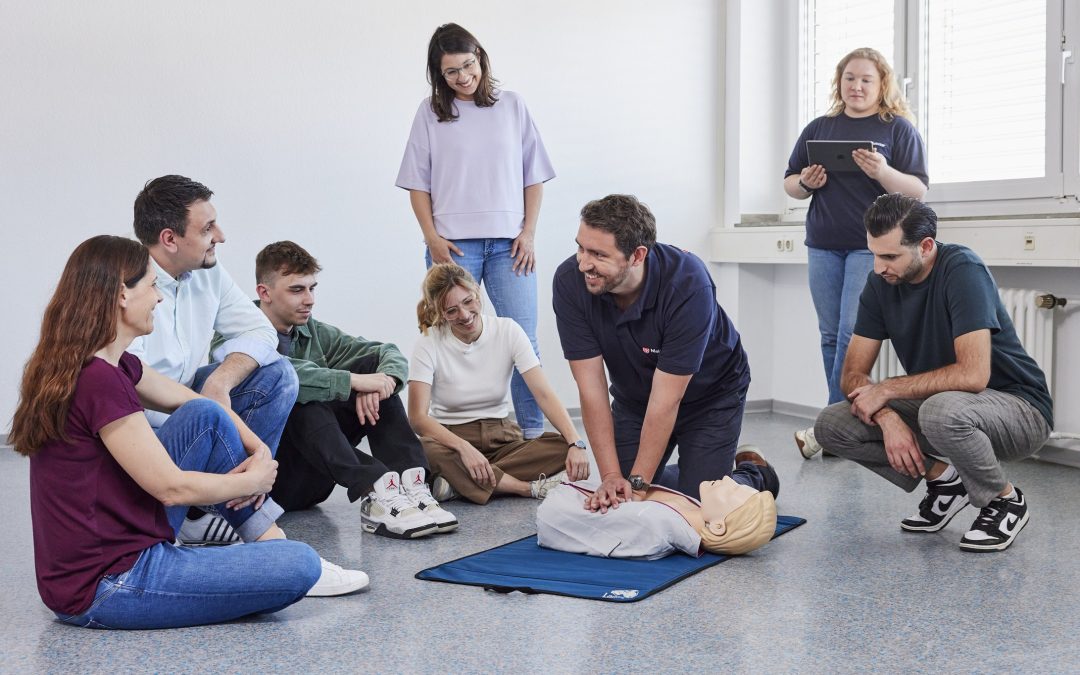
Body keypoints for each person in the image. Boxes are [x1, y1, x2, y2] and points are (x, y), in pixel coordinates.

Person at [8, 236, 368, 630]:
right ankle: (273, 552)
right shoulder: (98, 381)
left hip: (120, 553)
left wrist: (256, 445)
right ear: (121, 295)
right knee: (299, 565)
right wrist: (252, 480)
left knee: (203, 413)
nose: (159, 299)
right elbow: (171, 489)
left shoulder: (112, 365)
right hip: (110, 584)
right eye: (151, 285)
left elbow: (197, 403)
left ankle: (267, 542)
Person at [814, 194, 1053, 552]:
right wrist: (887, 417)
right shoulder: (881, 283)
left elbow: (973, 375)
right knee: (832, 426)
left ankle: (1004, 501)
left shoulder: (962, 269)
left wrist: (888, 389)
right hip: (946, 408)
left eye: (890, 256)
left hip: (1020, 409)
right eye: (874, 254)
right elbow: (852, 375)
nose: (878, 267)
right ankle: (945, 482)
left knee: (939, 411)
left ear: (925, 246)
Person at [215, 240, 457, 539]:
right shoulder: (233, 332)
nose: (309, 299)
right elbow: (280, 373)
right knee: (301, 394)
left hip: (315, 479)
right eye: (296, 290)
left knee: (373, 368)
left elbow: (386, 351)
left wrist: (383, 381)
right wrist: (352, 381)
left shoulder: (312, 330)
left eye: (311, 288)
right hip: (269, 484)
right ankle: (374, 490)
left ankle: (412, 485)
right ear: (264, 293)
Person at [553, 194, 773, 510]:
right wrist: (613, 475)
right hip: (635, 400)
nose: (584, 263)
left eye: (599, 254)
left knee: (701, 507)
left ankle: (755, 474)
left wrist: (639, 486)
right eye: (580, 247)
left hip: (711, 396)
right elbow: (591, 391)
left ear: (637, 255)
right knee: (621, 493)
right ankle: (686, 476)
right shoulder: (570, 282)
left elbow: (666, 400)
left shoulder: (687, 284)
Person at [396, 22, 555, 442]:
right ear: (438, 75)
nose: (464, 77)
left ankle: (533, 437)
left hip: (510, 243)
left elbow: (533, 176)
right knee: (448, 340)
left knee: (523, 339)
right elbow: (417, 184)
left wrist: (529, 232)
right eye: (451, 72)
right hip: (453, 245)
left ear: (481, 59)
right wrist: (431, 238)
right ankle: (446, 435)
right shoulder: (430, 113)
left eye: (469, 65)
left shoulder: (513, 105)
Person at [129, 175, 300, 546]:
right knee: (203, 414)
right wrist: (206, 408)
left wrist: (219, 382)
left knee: (279, 374)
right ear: (170, 239)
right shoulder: (129, 283)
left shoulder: (208, 273)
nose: (220, 235)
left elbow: (261, 332)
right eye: (207, 228)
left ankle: (213, 510)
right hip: (141, 429)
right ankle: (252, 527)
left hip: (189, 403)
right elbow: (133, 382)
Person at [783, 47, 928, 459]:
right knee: (830, 334)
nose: (857, 86)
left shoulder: (898, 129)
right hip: (824, 245)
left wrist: (881, 171)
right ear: (839, 82)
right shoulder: (820, 127)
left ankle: (829, 426)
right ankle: (840, 423)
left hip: (873, 249)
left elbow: (918, 190)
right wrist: (806, 183)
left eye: (866, 79)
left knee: (851, 334)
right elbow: (790, 184)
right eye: (850, 78)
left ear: (882, 84)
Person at [408, 263, 589, 504]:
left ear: (477, 291)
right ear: (439, 312)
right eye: (451, 311)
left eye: (468, 301)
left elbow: (543, 394)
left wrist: (576, 442)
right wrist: (463, 448)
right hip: (451, 439)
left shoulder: (508, 330)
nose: (464, 315)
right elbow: (417, 418)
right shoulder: (428, 342)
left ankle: (459, 483)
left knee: (563, 447)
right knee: (420, 450)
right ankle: (523, 487)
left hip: (502, 438)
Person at [538, 447, 778, 559]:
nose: (727, 479)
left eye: (731, 491)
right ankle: (756, 474)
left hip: (561, 502)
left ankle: (754, 472)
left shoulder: (652, 525)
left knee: (703, 478)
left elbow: (560, 519)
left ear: (717, 526)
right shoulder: (694, 511)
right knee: (695, 479)